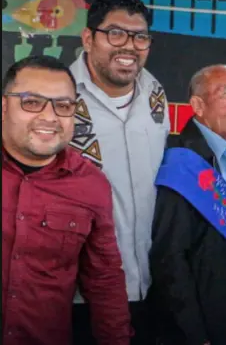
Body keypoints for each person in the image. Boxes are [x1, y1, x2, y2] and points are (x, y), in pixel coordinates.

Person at [2, 56, 131, 345]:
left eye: (63, 106)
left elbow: (104, 280)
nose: (49, 117)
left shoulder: (91, 185)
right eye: (31, 102)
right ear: (3, 107)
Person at [69, 0, 170, 343]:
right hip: (82, 293)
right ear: (87, 38)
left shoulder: (155, 92)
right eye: (115, 33)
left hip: (155, 283)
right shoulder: (60, 97)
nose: (129, 46)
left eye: (139, 36)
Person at [149, 65, 226, 345]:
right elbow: (169, 259)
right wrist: (195, 334)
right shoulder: (183, 163)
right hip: (203, 316)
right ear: (198, 105)